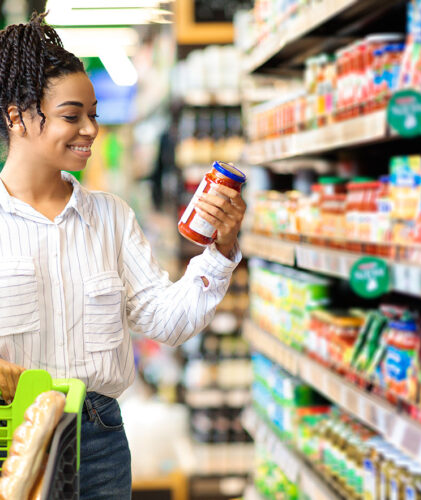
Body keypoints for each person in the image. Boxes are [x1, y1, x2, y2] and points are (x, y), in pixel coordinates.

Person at [0, 12, 246, 500]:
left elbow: (165, 321)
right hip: (12, 437)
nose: (90, 129)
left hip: (99, 440)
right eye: (72, 115)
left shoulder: (110, 217)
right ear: (18, 117)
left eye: (94, 113)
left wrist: (221, 249)